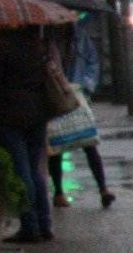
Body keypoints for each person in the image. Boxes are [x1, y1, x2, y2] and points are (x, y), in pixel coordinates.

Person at [0, 26, 56, 243]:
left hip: (8, 117)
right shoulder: (36, 45)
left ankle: (30, 226)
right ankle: (44, 223)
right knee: (34, 170)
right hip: (37, 115)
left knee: (21, 173)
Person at [48, 15, 113, 210]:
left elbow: (92, 62)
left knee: (89, 142)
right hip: (56, 96)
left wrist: (85, 85)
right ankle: (59, 192)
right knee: (56, 147)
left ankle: (103, 189)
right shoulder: (47, 41)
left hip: (77, 94)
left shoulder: (80, 37)